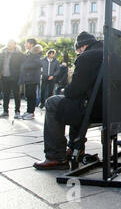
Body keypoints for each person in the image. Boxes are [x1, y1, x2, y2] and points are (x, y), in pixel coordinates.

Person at [33, 32, 103, 170]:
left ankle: (55, 156)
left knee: (53, 102)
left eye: (77, 50)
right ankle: (74, 148)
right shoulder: (111, 54)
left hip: (94, 109)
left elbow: (74, 90)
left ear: (83, 46)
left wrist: (65, 90)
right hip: (113, 109)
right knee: (72, 104)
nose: (78, 53)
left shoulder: (87, 56)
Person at [18, 38, 43, 120]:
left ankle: (31, 113)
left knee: (31, 95)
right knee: (28, 95)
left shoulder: (36, 53)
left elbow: (39, 63)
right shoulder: (29, 53)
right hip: (28, 77)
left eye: (26, 43)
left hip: (32, 77)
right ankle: (28, 111)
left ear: (31, 44)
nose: (25, 44)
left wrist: (26, 66)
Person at [0, 40, 25, 119]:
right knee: (5, 95)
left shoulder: (20, 54)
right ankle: (5, 111)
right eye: (8, 43)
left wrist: (20, 76)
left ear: (15, 45)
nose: (9, 45)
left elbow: (23, 66)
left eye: (11, 43)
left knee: (16, 95)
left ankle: (17, 112)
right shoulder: (2, 53)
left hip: (15, 77)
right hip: (4, 77)